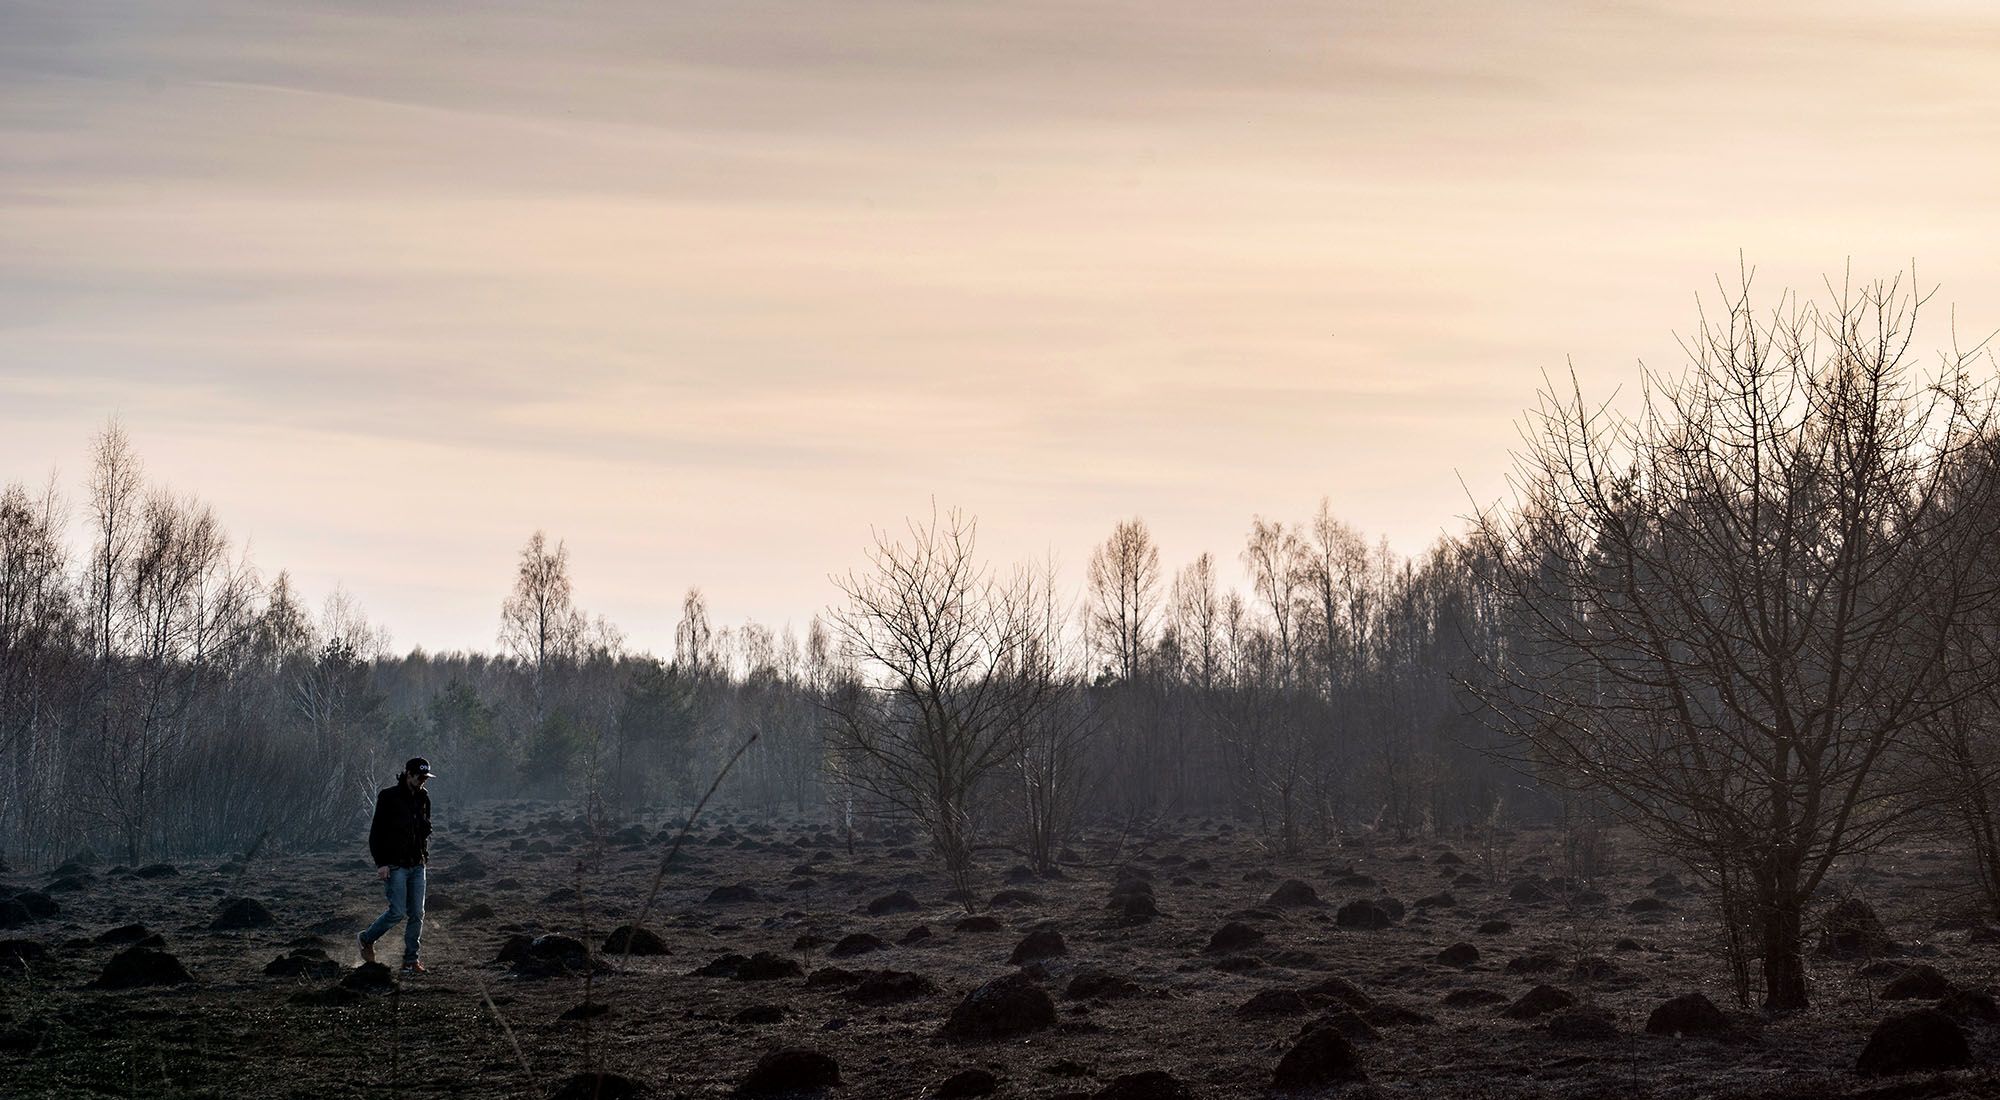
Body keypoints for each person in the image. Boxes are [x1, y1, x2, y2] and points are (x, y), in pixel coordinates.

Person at [359, 757, 437, 973]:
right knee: (397, 912)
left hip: (417, 863)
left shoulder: (423, 798)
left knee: (417, 913)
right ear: (408, 774)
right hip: (395, 865)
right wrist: (381, 863)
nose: (423, 781)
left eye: (426, 778)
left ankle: (411, 961)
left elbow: (424, 830)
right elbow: (376, 833)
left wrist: (424, 854)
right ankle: (366, 938)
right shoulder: (388, 797)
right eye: (420, 777)